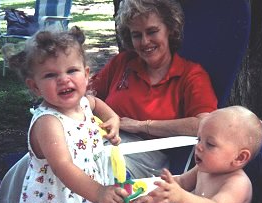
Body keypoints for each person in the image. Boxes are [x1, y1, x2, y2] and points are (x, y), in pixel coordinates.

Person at [0, 26, 129, 203]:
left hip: (83, 199)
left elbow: (97, 103)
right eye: (50, 75)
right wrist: (99, 192)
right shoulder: (48, 121)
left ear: (86, 74)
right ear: (34, 86)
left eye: (71, 70)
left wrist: (113, 119)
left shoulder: (84, 103)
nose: (63, 79)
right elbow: (63, 167)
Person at [88, 0, 218, 178]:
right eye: (136, 35)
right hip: (105, 141)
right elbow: (88, 95)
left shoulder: (191, 75)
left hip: (149, 158)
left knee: (90, 163)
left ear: (170, 29)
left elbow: (206, 124)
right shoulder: (123, 63)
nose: (145, 42)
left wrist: (143, 126)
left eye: (152, 31)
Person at [135, 106, 262, 203]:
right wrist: (153, 197)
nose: (198, 147)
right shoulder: (204, 169)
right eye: (199, 139)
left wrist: (180, 198)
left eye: (210, 144)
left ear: (239, 157)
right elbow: (181, 182)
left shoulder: (237, 184)